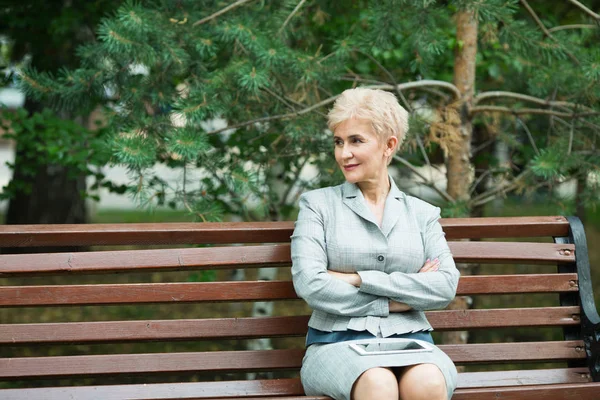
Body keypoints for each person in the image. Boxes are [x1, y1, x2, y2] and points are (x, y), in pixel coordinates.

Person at [290, 87, 460, 400]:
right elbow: (310, 283)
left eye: (356, 141)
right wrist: (398, 300)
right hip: (335, 344)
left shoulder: (422, 214)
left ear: (388, 145)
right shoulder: (317, 206)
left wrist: (357, 279)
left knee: (428, 383)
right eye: (339, 142)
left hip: (412, 342)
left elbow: (444, 285)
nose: (344, 153)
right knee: (378, 383)